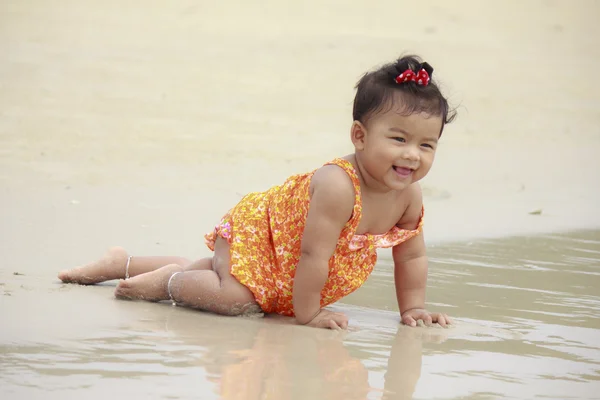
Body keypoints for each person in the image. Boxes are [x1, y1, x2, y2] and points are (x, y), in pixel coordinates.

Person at [58, 54, 456, 330]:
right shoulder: (339, 185)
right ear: (360, 136)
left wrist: (414, 309)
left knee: (227, 278)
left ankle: (122, 262)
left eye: (426, 145)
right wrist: (308, 315)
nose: (411, 155)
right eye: (399, 139)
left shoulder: (409, 196)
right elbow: (313, 254)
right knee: (237, 299)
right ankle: (167, 283)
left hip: (285, 267)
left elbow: (412, 257)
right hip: (263, 239)